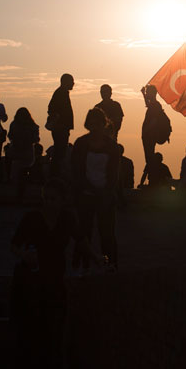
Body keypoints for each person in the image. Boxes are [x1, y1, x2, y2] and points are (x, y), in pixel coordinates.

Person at [10, 181, 91, 369]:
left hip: (55, 280)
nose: (48, 203)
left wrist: (95, 257)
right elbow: (14, 245)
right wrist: (26, 256)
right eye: (46, 199)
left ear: (63, 200)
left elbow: (80, 239)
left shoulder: (67, 218)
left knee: (53, 331)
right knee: (31, 330)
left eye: (53, 199)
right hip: (31, 281)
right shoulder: (31, 218)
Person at [70, 108, 121, 273]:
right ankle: (82, 264)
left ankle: (110, 264)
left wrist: (106, 192)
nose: (94, 126)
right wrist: (89, 189)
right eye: (91, 123)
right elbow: (76, 171)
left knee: (107, 232)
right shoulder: (81, 144)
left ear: (103, 124)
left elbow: (114, 174)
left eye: (97, 123)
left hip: (105, 196)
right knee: (84, 231)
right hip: (85, 195)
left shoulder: (112, 147)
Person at [8, 107, 41, 198]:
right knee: (23, 172)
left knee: (16, 173)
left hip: (17, 152)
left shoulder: (14, 124)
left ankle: (17, 193)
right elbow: (36, 139)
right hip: (28, 153)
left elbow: (10, 136)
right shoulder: (32, 126)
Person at [46, 74, 74, 178]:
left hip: (63, 127)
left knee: (60, 151)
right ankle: (55, 176)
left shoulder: (62, 93)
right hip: (61, 128)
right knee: (59, 152)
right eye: (71, 81)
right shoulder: (60, 93)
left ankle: (55, 175)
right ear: (65, 82)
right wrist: (59, 120)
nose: (73, 84)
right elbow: (51, 108)